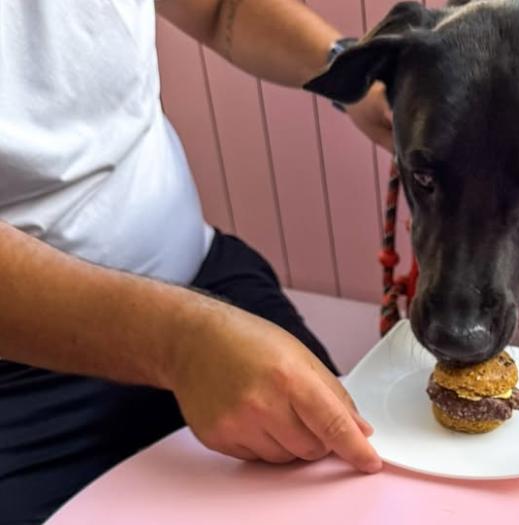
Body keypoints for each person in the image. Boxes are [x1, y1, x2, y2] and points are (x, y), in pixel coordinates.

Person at [0, 1, 393, 522]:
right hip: (22, 381)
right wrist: (177, 346)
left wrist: (354, 79)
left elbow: (219, 10)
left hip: (204, 291)